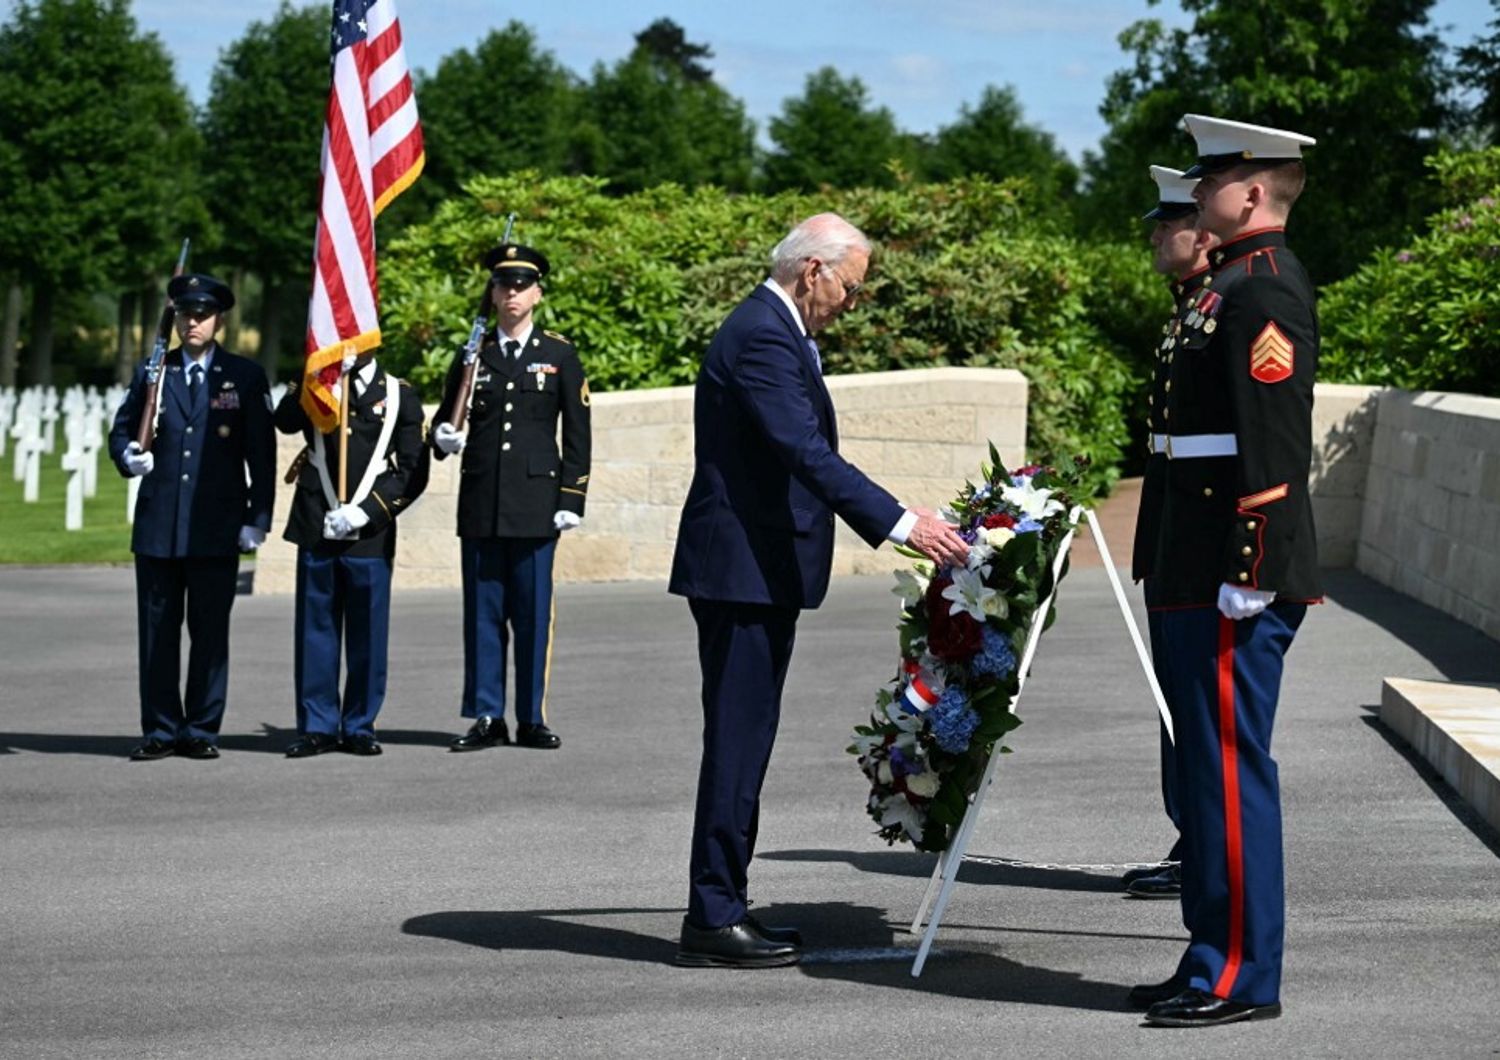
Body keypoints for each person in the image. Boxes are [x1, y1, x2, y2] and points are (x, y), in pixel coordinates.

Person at [668, 213, 971, 968]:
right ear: (814, 271)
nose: (851, 303)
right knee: (738, 743)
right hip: (743, 572)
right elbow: (803, 450)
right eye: (852, 288)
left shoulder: (775, 328)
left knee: (747, 740)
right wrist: (903, 522)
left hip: (754, 570)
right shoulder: (764, 334)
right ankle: (713, 913)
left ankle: (723, 903)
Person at [1132, 115, 1321, 1028]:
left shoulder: (1264, 291)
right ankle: (1208, 955)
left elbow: (1274, 446)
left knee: (1232, 777)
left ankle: (1242, 974)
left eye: (1213, 180)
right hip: (1193, 568)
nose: (1198, 196)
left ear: (1252, 192)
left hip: (1228, 576)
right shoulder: (1226, 291)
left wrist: (1251, 569)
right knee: (1206, 777)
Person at [430, 242, 591, 752]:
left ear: (538, 293)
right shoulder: (472, 354)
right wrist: (442, 436)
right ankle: (486, 716)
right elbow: (446, 417)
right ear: (493, 293)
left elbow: (578, 432)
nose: (512, 293)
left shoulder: (558, 354)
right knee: (482, 616)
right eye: (503, 285)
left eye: (522, 285)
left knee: (532, 615)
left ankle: (531, 716)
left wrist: (572, 496)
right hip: (482, 503)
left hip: (537, 503)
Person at [108, 273, 275, 761]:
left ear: (219, 320)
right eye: (185, 314)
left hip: (216, 529)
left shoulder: (244, 376)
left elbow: (260, 455)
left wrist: (256, 517)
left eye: (202, 314)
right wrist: (128, 457)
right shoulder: (154, 371)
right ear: (176, 318)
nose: (193, 322)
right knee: (158, 636)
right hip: (160, 528)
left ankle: (201, 727)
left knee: (209, 634)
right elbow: (121, 433)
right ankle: (161, 729)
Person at [1123, 165, 1220, 902]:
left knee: (1198, 706)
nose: (1158, 234)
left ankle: (1204, 843)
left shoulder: (1218, 308)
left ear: (1204, 233)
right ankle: (1192, 836)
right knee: (1176, 704)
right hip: (1172, 539)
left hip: (1202, 544)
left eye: (1169, 223)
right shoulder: (1188, 307)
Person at [273, 355, 429, 758]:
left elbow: (414, 469)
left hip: (369, 533)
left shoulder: (399, 395)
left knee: (368, 634)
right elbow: (285, 420)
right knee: (315, 631)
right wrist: (315, 377)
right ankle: (317, 726)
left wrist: (368, 511)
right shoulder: (315, 382)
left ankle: (360, 724)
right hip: (317, 524)